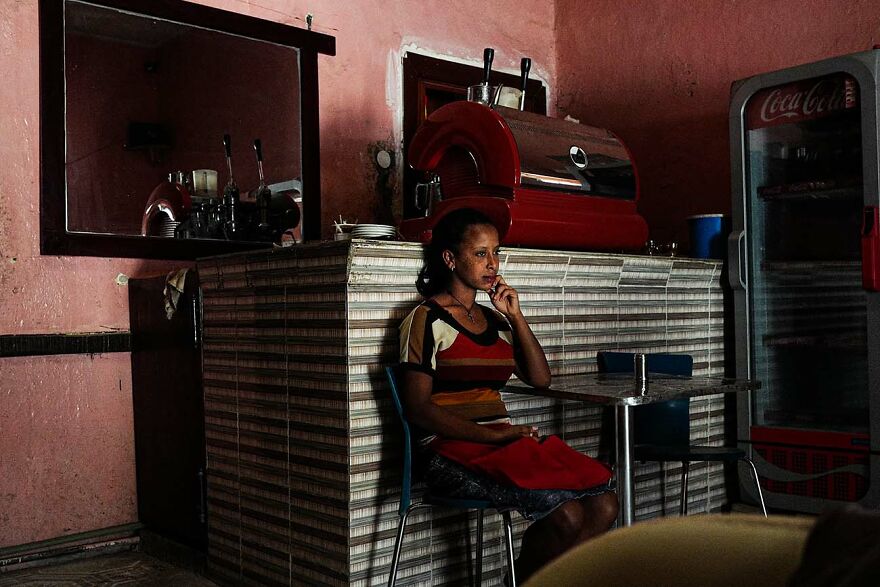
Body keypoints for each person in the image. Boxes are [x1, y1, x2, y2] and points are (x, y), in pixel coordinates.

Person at [398, 207, 618, 582]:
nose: (492, 264)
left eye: (496, 252)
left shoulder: (495, 321)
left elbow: (540, 379)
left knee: (605, 506)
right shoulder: (425, 319)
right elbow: (418, 409)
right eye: (480, 253)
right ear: (450, 259)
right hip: (446, 450)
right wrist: (493, 435)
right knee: (567, 515)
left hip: (501, 444)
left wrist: (516, 316)